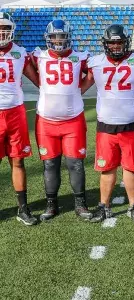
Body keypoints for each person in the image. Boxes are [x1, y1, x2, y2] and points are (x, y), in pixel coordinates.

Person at [82, 24, 134, 223]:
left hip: (132, 124)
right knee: (107, 168)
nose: (115, 46)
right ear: (106, 44)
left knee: (131, 168)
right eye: (112, 43)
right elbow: (80, 87)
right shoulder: (95, 63)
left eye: (119, 42)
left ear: (126, 43)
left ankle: (133, 206)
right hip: (106, 125)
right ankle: (104, 206)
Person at [32, 19, 92, 221]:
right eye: (54, 37)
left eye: (62, 36)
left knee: (75, 164)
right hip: (46, 121)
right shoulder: (38, 56)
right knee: (50, 164)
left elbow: (92, 74)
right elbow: (32, 75)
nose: (58, 40)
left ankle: (80, 204)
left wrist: (79, 90)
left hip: (73, 120)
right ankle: (51, 204)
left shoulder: (80, 57)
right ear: (48, 38)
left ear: (68, 37)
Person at [0, 12, 39, 225]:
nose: (2, 32)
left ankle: (23, 209)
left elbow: (38, 80)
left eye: (5, 28)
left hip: (15, 112)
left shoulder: (20, 53)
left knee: (18, 160)